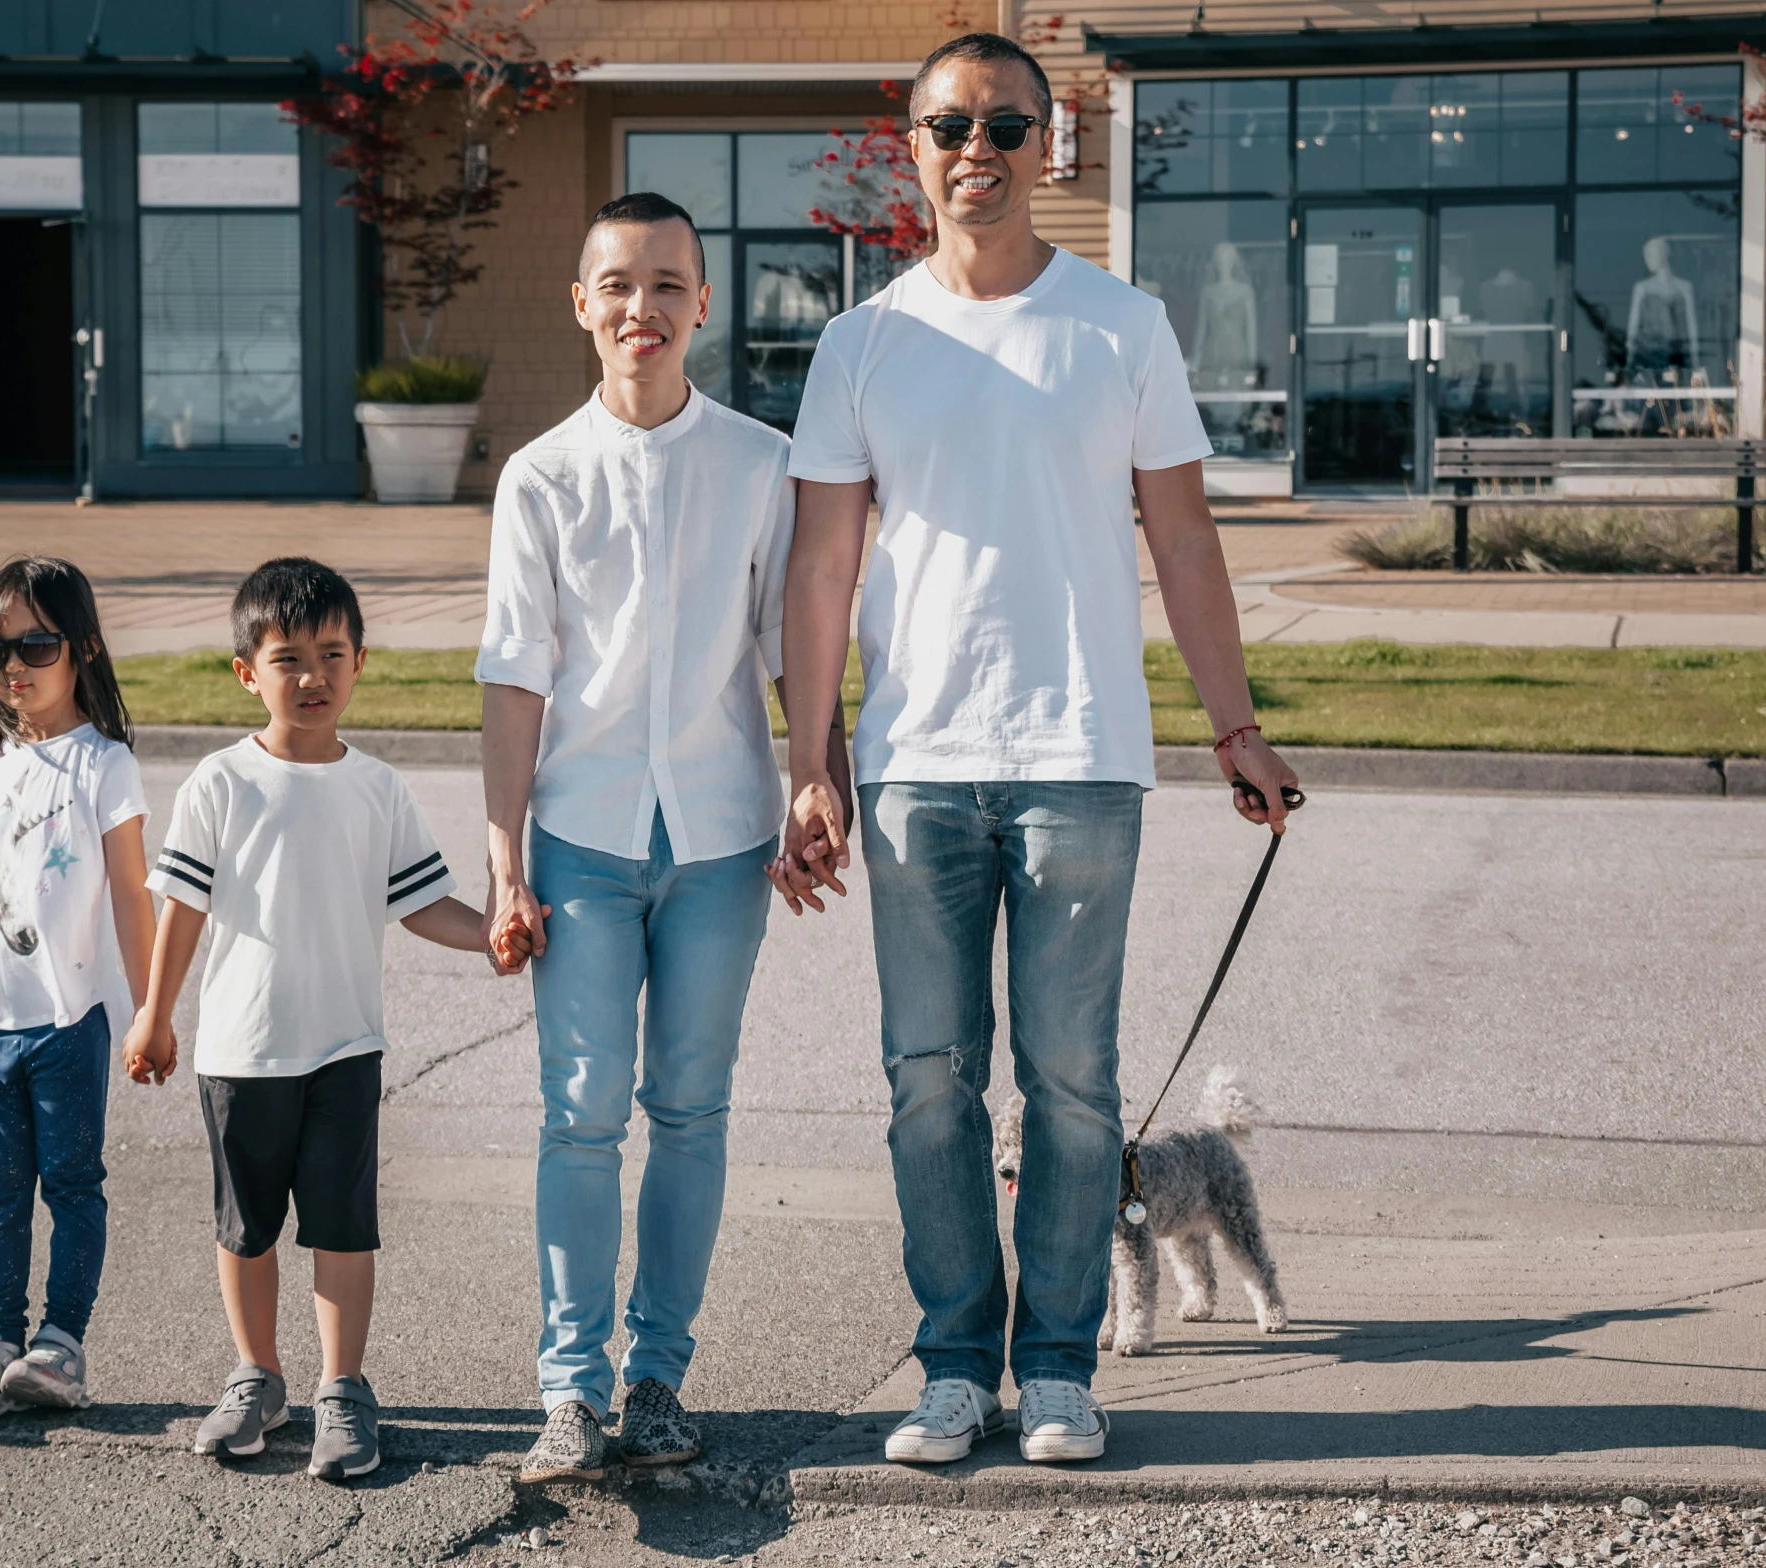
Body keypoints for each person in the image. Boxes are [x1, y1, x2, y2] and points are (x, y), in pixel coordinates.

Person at [775, 33, 1302, 1468]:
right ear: (915, 146)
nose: (979, 147)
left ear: (1047, 144)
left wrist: (1234, 723)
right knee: (928, 1079)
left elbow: (1182, 534)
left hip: (1081, 755)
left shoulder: (1119, 327)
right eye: (952, 123)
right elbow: (820, 570)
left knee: (1072, 1083)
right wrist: (810, 758)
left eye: (1008, 123)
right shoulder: (862, 341)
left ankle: (1059, 1369)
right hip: (914, 768)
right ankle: (956, 1370)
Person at [479, 192, 848, 1482]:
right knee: (580, 1116)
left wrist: (816, 785)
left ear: (704, 303)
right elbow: (515, 674)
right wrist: (504, 853)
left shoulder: (760, 463)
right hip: (578, 835)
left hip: (718, 841)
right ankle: (568, 1391)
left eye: (668, 285)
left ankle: (656, 1377)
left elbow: (789, 650)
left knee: (689, 1109)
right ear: (582, 303)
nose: (643, 309)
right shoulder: (539, 477)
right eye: (618, 285)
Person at [122, 558, 517, 1481]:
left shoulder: (377, 788)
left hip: (345, 1050)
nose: (311, 676)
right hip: (238, 1050)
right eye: (287, 658)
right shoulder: (221, 782)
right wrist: (154, 1016)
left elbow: (425, 904)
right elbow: (179, 909)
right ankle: (256, 1377)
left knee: (343, 1226)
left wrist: (492, 938)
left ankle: (343, 1389)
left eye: (331, 655)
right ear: (245, 673)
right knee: (247, 1227)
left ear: (360, 664)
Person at [0, 556, 155, 1425]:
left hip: (66, 1022)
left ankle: (59, 1346)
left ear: (83, 648)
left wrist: (151, 1013)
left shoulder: (103, 765)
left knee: (72, 1183)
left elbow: (133, 895)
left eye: (35, 644)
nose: (12, 666)